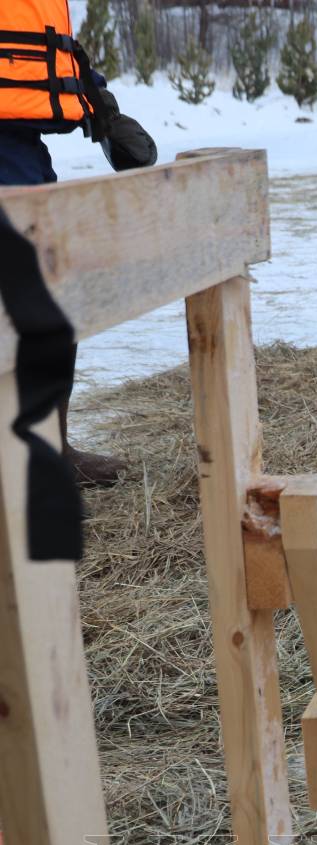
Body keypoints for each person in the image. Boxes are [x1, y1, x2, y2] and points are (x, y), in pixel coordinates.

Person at [1, 0, 158, 486]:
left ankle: (48, 448)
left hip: (19, 146)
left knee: (55, 286)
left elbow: (41, 39)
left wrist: (98, 102)